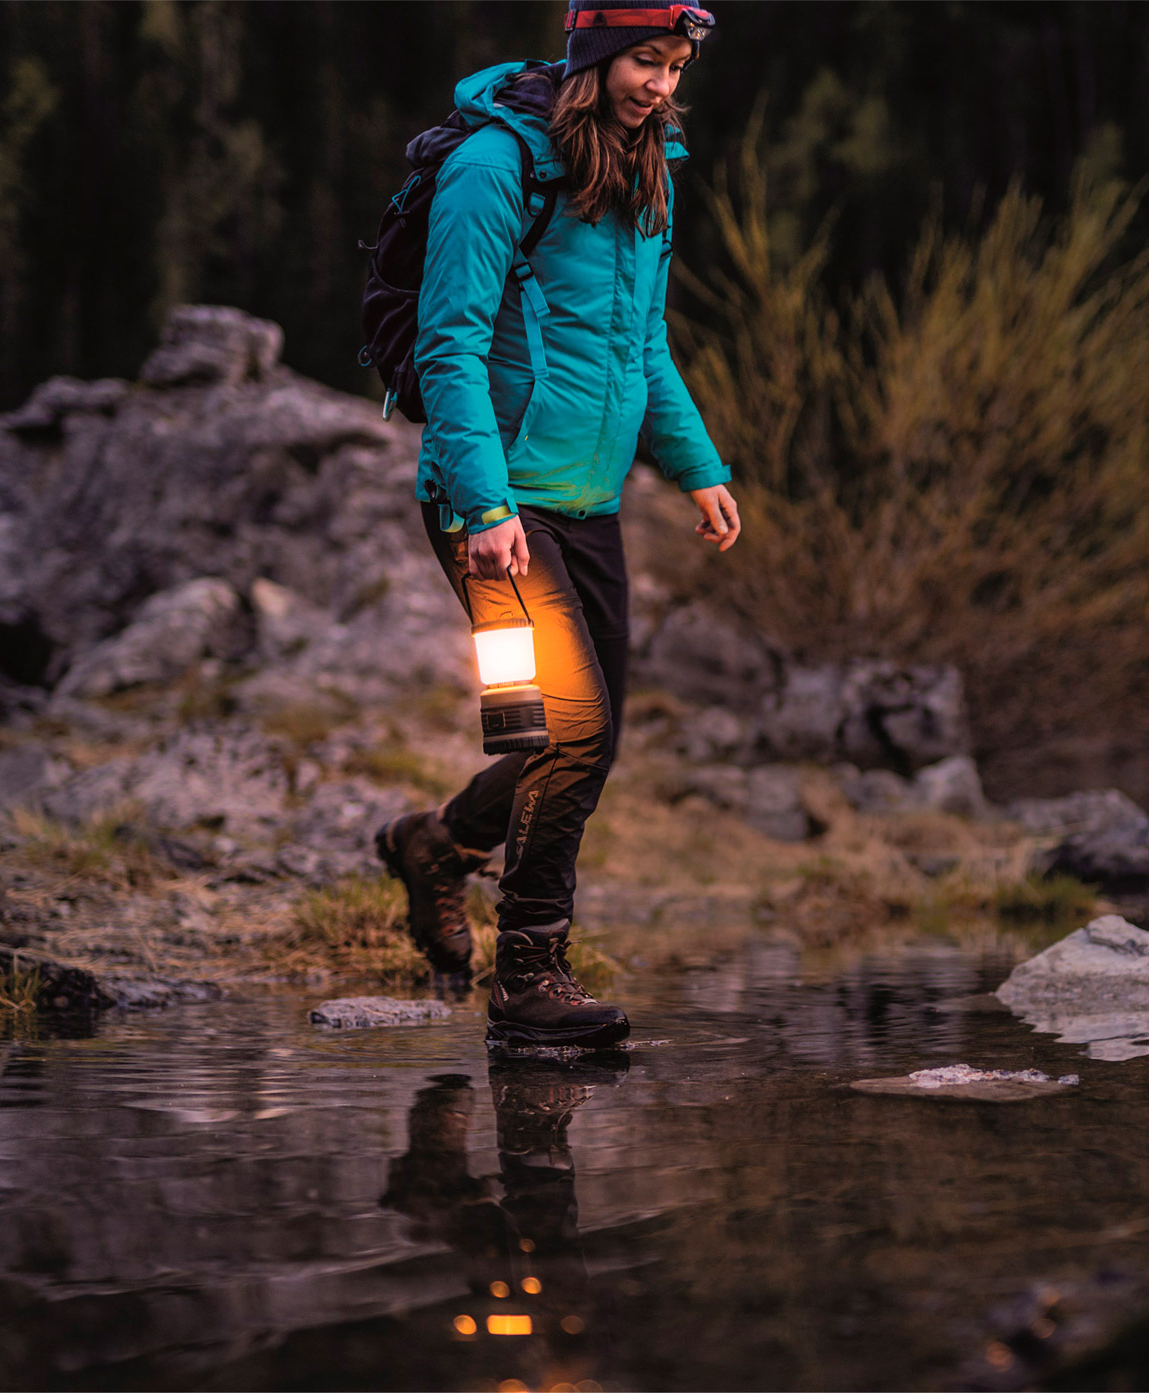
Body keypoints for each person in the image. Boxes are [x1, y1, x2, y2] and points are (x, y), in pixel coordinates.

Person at [378, 0, 738, 1052]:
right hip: (489, 510)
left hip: (589, 508)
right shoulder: (497, 167)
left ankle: (436, 845)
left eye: (675, 67)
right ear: (593, 56)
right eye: (643, 61)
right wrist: (486, 505)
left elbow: (646, 347)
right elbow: (448, 340)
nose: (660, 86)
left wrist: (698, 467)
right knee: (564, 734)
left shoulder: (648, 170)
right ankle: (530, 976)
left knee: (580, 741)